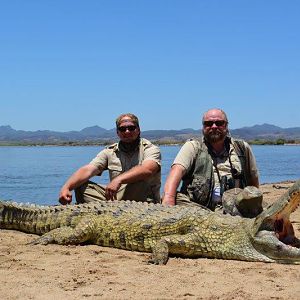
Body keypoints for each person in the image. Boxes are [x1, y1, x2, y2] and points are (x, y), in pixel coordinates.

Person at [162, 108, 261, 215]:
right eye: (208, 123)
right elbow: (176, 171)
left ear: (226, 126)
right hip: (198, 211)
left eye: (219, 123)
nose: (214, 126)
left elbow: (253, 181)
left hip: (234, 211)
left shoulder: (242, 148)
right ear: (203, 127)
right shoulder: (193, 147)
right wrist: (168, 202)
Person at [59, 113, 161, 205]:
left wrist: (119, 180)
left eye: (131, 128)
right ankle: (106, 209)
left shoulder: (151, 149)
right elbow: (89, 169)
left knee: (140, 179)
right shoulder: (110, 151)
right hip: (116, 198)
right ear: (117, 132)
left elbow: (148, 169)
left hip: (143, 200)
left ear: (138, 130)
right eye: (122, 129)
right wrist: (66, 187)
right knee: (80, 184)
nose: (127, 131)